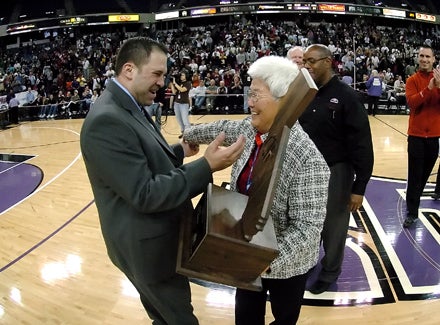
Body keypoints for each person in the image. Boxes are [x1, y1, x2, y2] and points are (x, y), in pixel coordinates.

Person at [80, 37, 245, 325]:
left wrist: (179, 151)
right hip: (148, 250)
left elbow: (139, 156)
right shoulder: (106, 120)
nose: (162, 82)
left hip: (153, 241)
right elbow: (145, 193)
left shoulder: (126, 104)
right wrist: (206, 165)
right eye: (157, 74)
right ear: (129, 70)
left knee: (164, 318)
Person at [183, 55, 330, 324]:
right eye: (249, 93)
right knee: (246, 316)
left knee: (285, 318)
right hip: (247, 245)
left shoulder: (309, 159)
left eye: (256, 95)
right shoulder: (250, 129)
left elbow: (307, 232)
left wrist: (258, 263)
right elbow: (222, 128)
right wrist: (189, 136)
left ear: (282, 99)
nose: (248, 102)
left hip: (284, 263)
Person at [299, 44, 374, 294]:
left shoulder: (347, 96)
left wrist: (359, 187)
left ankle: (330, 271)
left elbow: (362, 144)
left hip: (336, 171)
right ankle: (308, 261)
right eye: (304, 61)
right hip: (306, 172)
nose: (306, 65)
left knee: (333, 225)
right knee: (309, 221)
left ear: (328, 62)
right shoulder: (305, 92)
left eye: (312, 61)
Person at [403, 45, 440, 227]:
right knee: (415, 176)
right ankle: (411, 212)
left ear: (434, 59)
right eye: (421, 56)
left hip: (434, 138)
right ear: (418, 58)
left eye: (428, 56)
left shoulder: (439, 81)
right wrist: (429, 88)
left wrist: (438, 88)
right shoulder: (412, 80)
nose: (424, 59)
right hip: (416, 137)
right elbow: (412, 103)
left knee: (423, 177)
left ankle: (414, 199)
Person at [170, 72, 191, 138]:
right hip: (176, 103)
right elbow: (174, 92)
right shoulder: (179, 83)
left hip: (184, 104)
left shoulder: (188, 83)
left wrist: (175, 83)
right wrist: (172, 84)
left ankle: (188, 134)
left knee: (185, 120)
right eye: (181, 75)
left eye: (183, 75)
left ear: (186, 76)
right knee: (179, 120)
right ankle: (183, 133)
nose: (181, 76)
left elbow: (182, 90)